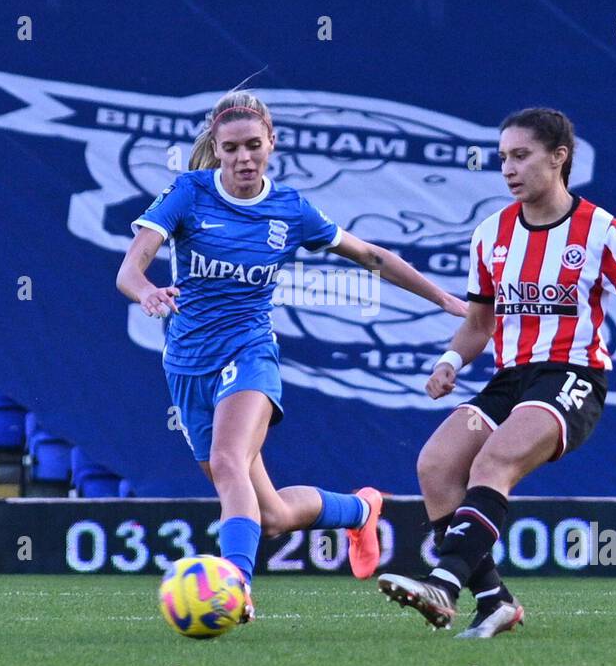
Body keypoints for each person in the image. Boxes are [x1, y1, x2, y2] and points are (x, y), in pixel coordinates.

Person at [117, 89, 467, 619]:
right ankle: (359, 509)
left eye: (253, 146)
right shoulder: (187, 192)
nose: (243, 158)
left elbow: (370, 254)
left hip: (250, 352)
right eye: (231, 148)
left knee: (231, 460)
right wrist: (146, 292)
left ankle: (234, 584)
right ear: (216, 145)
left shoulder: (290, 209)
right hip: (187, 366)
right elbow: (129, 269)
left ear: (272, 144)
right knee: (273, 515)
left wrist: (439, 297)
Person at [378, 107, 616, 635]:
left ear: (559, 158)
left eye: (521, 155)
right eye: (503, 157)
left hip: (572, 376)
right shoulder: (491, 233)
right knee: (436, 466)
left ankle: (443, 583)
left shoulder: (600, 229)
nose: (508, 168)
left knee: (494, 462)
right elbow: (479, 322)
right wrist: (449, 361)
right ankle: (494, 602)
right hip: (511, 379)